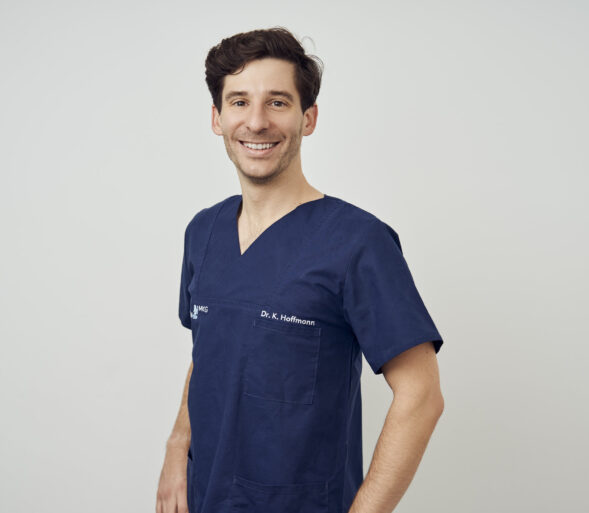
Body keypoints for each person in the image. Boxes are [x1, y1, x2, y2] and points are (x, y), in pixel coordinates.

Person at [157, 27, 445, 513]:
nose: (256, 122)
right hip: (204, 498)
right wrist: (174, 448)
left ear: (307, 118)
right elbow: (210, 352)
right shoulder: (203, 232)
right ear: (217, 118)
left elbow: (422, 395)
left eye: (277, 102)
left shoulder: (357, 242)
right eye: (239, 102)